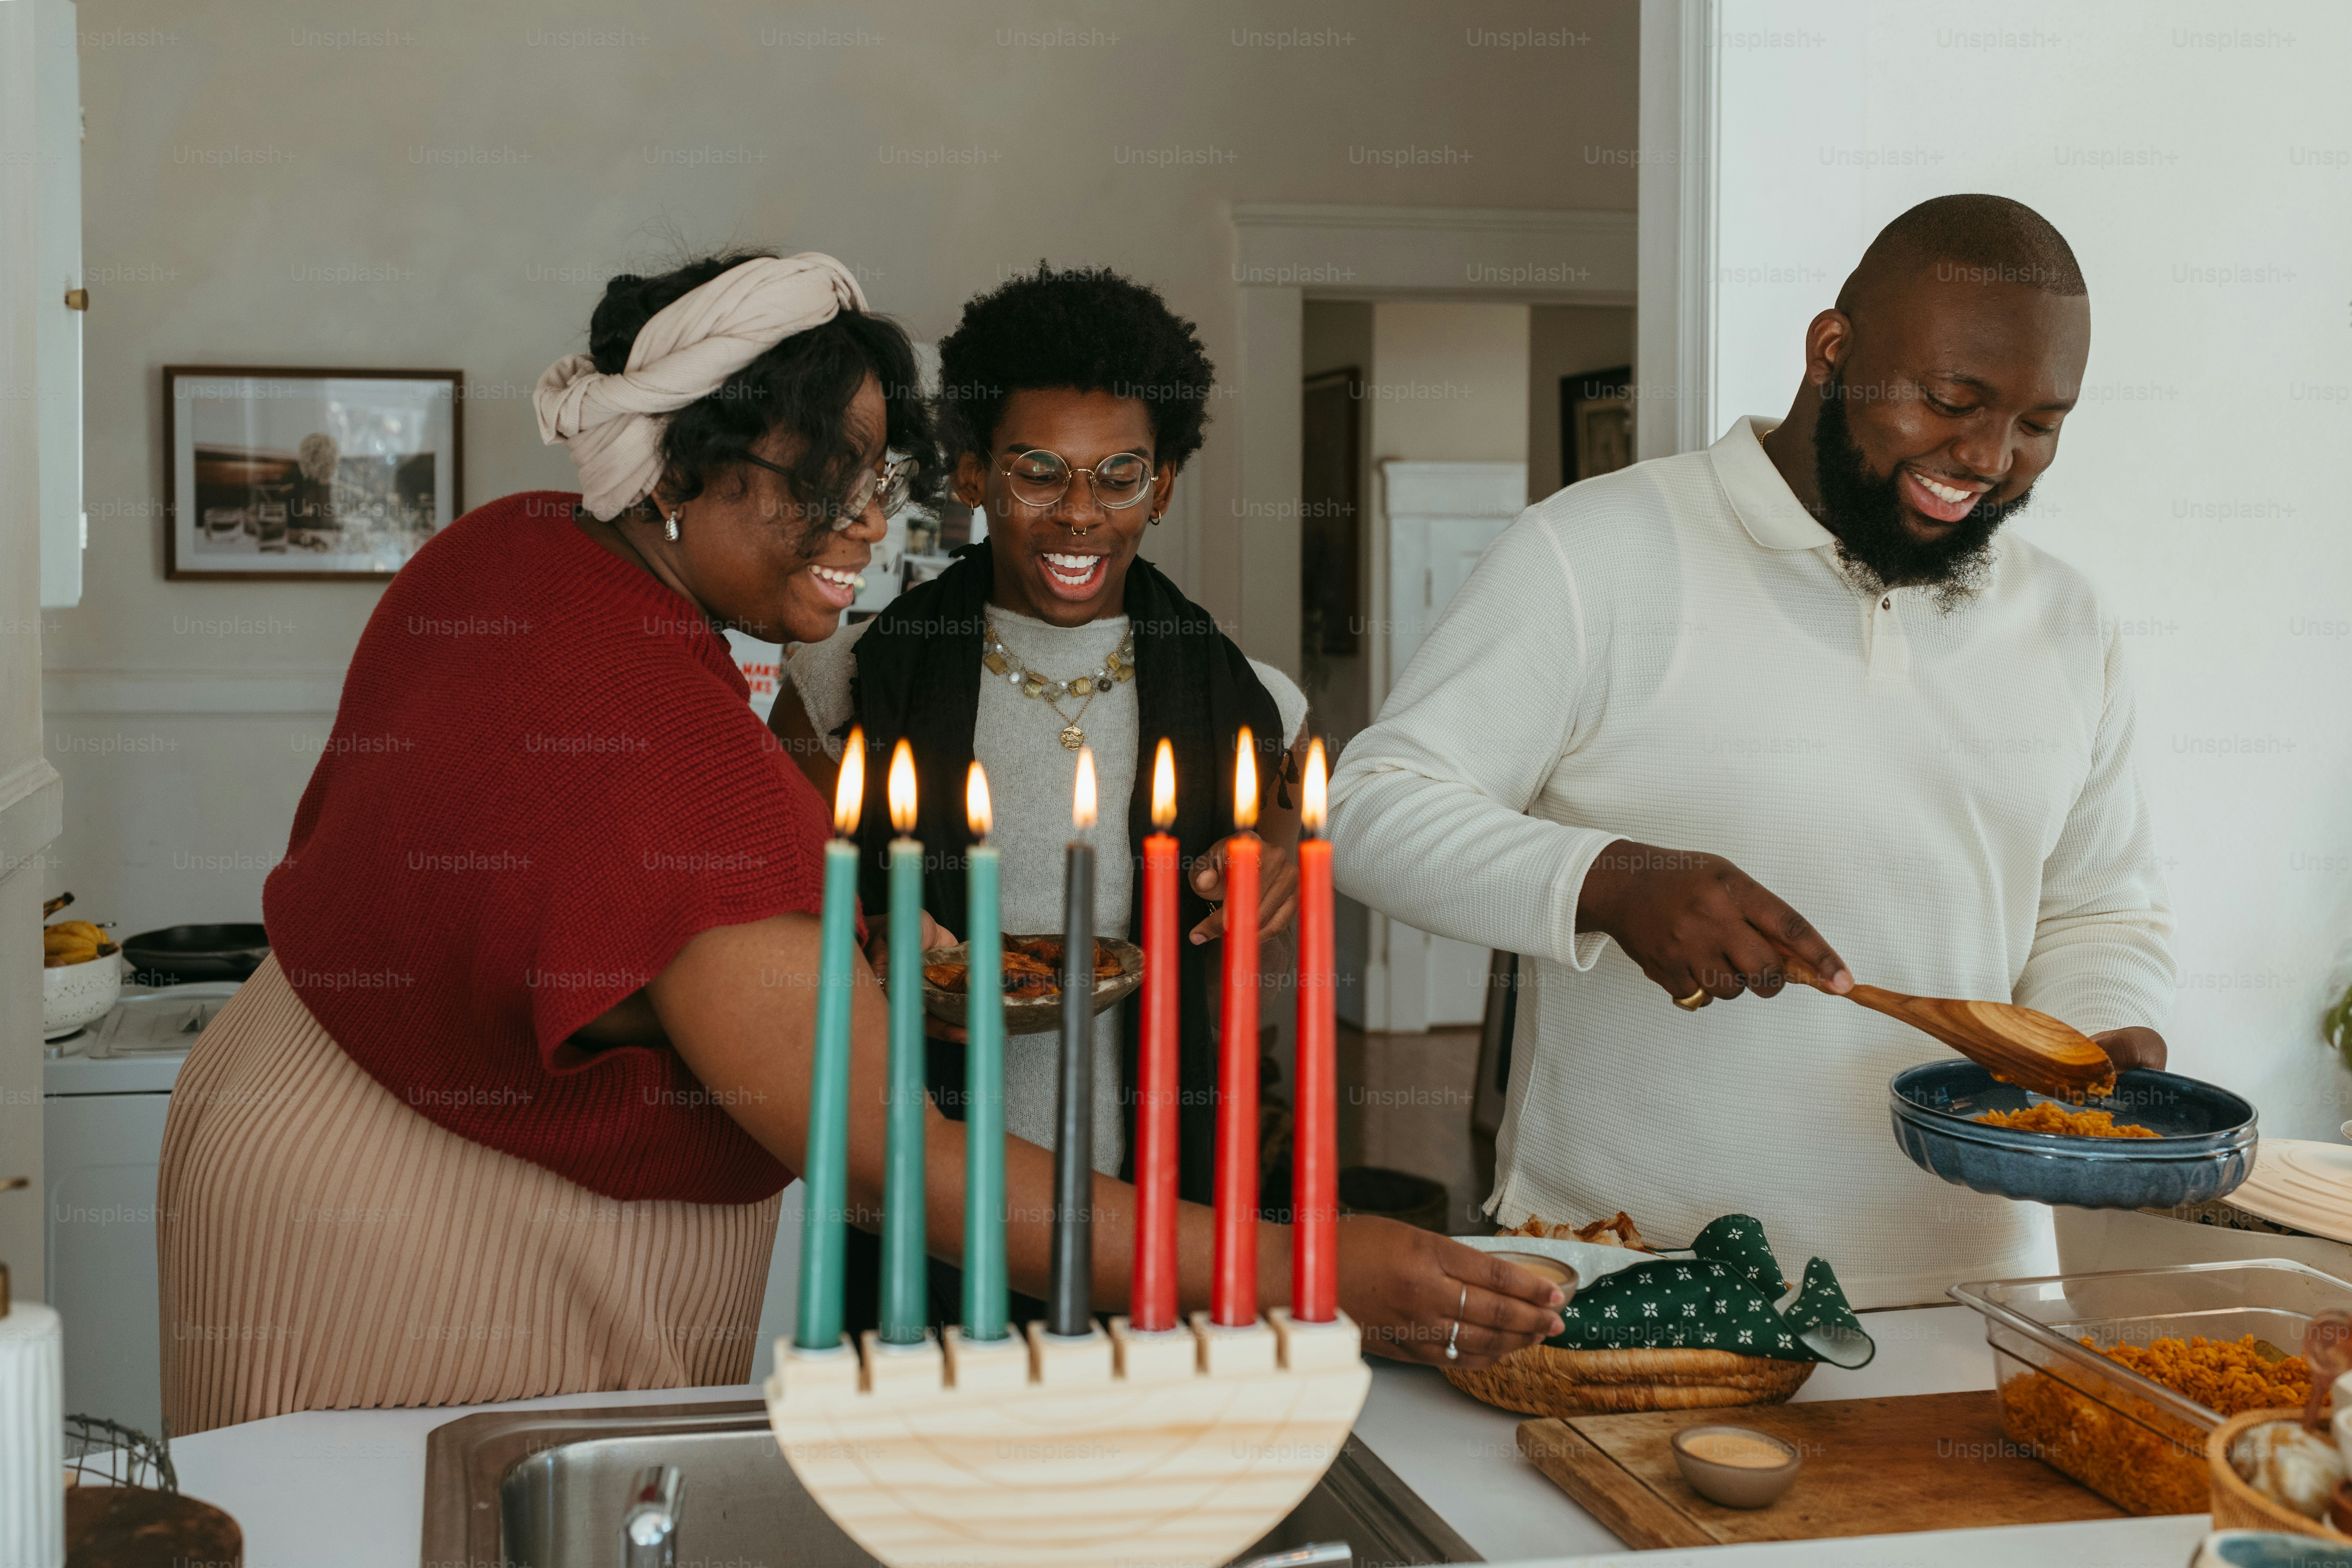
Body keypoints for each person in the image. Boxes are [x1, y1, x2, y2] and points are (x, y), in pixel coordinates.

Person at [155, 252, 1557, 1437]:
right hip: (422, 1227)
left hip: (302, 1102)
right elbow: (882, 1152)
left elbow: (601, 886)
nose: (872, 519)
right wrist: (1314, 1266)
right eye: (823, 476)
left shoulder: (510, 553)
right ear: (676, 468)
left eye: (876, 472)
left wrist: (857, 924)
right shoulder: (685, 735)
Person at [1328, 196, 2175, 1308]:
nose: (1988, 458)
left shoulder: (2070, 622)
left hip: (1971, 1303)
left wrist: (2104, 1037)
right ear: (1834, 350)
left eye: (2039, 425)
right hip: (1636, 1284)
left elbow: (2100, 908)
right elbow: (1371, 809)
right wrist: (1607, 880)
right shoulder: (1595, 553)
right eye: (1952, 401)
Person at [772, 263, 1564, 1354]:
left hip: (1155, 1164)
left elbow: (1301, 770)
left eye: (1120, 476)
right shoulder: (858, 673)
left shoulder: (1228, 683)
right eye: (1038, 473)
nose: (1082, 514)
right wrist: (866, 922)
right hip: (938, 1158)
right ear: (971, 473)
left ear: (1166, 485)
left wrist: (1283, 846)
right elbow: (780, 845)